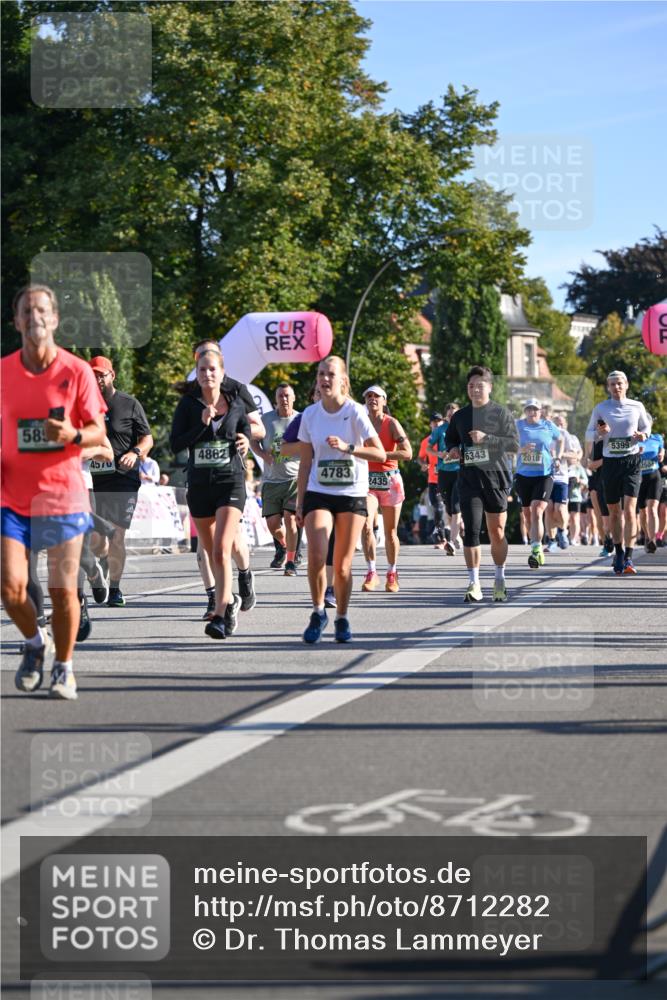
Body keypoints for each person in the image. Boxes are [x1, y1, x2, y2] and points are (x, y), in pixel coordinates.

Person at [1, 284, 106, 700]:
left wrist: (73, 434)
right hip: (12, 497)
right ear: (17, 321)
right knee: (10, 587)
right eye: (27, 311)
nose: (35, 317)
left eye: (42, 310)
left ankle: (64, 667)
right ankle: (33, 643)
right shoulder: (5, 372)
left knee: (63, 592)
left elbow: (98, 430)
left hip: (61, 496)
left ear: (55, 319)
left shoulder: (76, 371)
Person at [296, 356, 385, 643]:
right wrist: (299, 502)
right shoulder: (310, 414)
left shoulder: (355, 412)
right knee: (316, 555)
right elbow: (306, 463)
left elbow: (380, 454)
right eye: (321, 373)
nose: (324, 379)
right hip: (319, 491)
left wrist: (349, 448)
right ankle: (318, 610)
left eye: (330, 374)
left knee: (343, 565)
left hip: (350, 493)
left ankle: (342, 617)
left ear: (342, 381)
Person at [170, 345, 251, 639]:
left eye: (212, 369)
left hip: (230, 481)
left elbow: (246, 431)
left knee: (220, 549)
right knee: (211, 554)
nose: (207, 374)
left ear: (222, 372)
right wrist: (201, 425)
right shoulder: (189, 405)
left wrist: (245, 441)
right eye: (202, 370)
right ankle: (229, 601)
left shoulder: (236, 401)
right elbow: (176, 444)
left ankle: (219, 614)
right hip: (200, 485)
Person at [185, 339, 266, 612]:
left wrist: (244, 435)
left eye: (212, 356)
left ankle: (244, 574)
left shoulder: (237, 389)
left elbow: (260, 429)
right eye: (200, 357)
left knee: (232, 543)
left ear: (221, 359)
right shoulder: (191, 393)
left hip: (229, 474)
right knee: (204, 550)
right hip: (199, 476)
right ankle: (214, 599)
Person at [444, 365, 519, 602]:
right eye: (470, 386)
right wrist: (453, 450)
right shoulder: (460, 416)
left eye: (479, 385)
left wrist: (487, 438)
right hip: (469, 480)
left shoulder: (501, 413)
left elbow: (514, 445)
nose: (475, 390)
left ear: (489, 387)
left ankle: (499, 579)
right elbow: (451, 441)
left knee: (497, 532)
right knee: (472, 531)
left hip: (496, 480)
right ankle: (474, 583)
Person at [87, 356, 153, 607]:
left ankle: (114, 588)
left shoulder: (129, 404)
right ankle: (102, 564)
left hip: (123, 480)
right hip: (93, 480)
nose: (97, 379)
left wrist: (134, 453)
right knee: (96, 539)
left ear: (112, 375)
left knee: (117, 536)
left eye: (101, 375)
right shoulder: (84, 406)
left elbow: (147, 438)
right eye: (93, 375)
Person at [585, 370, 651, 575]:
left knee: (630, 509)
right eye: (612, 384)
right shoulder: (601, 408)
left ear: (626, 385)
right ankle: (619, 551)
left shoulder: (636, 406)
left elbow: (646, 429)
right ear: (608, 387)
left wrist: (642, 436)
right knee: (614, 511)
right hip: (610, 463)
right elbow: (588, 434)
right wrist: (599, 433)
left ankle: (629, 555)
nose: (616, 387)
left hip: (631, 462)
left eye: (619, 383)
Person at [359, 385, 413, 593]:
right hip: (367, 481)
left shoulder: (391, 424)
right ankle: (371, 572)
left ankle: (392, 572)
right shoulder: (360, 423)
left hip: (389, 480)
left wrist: (382, 455)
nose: (372, 399)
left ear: (384, 401)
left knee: (390, 532)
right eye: (369, 396)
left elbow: (407, 453)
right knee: (365, 525)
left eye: (376, 396)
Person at [253, 383, 301, 576]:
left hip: (294, 479)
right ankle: (284, 545)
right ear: (276, 399)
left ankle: (290, 561)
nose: (284, 399)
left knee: (290, 520)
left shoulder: (300, 419)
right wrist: (264, 455)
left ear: (294, 397)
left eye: (287, 395)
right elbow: (252, 439)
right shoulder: (266, 420)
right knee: (273, 525)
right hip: (272, 480)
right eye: (280, 396)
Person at [514, 398, 562, 569]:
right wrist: (521, 450)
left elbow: (560, 438)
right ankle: (536, 543)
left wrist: (557, 457)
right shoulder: (517, 425)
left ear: (540, 411)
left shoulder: (548, 426)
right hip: (523, 475)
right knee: (527, 514)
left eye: (535, 409)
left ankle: (536, 550)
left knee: (537, 510)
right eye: (528, 409)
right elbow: (506, 445)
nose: (531, 412)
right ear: (524, 411)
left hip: (544, 474)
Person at [429, 402, 463, 555]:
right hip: (443, 472)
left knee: (455, 507)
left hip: (459, 471)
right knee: (448, 507)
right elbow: (429, 448)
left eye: (454, 412)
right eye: (449, 412)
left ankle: (452, 540)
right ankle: (456, 534)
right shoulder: (439, 430)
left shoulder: (463, 428)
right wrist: (439, 454)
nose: (451, 414)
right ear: (445, 415)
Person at [637, 426, 664, 553]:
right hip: (639, 479)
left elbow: (662, 451)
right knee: (643, 512)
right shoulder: (633, 439)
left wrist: (661, 454)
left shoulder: (657, 438)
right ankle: (647, 536)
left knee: (653, 508)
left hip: (654, 476)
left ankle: (653, 540)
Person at [418, 413, 445, 547]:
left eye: (438, 421)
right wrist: (423, 464)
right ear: (430, 424)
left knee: (452, 510)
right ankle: (441, 538)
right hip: (433, 480)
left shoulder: (448, 437)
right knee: (438, 508)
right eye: (433, 422)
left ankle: (456, 533)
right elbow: (420, 457)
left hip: (449, 478)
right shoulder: (426, 441)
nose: (436, 424)